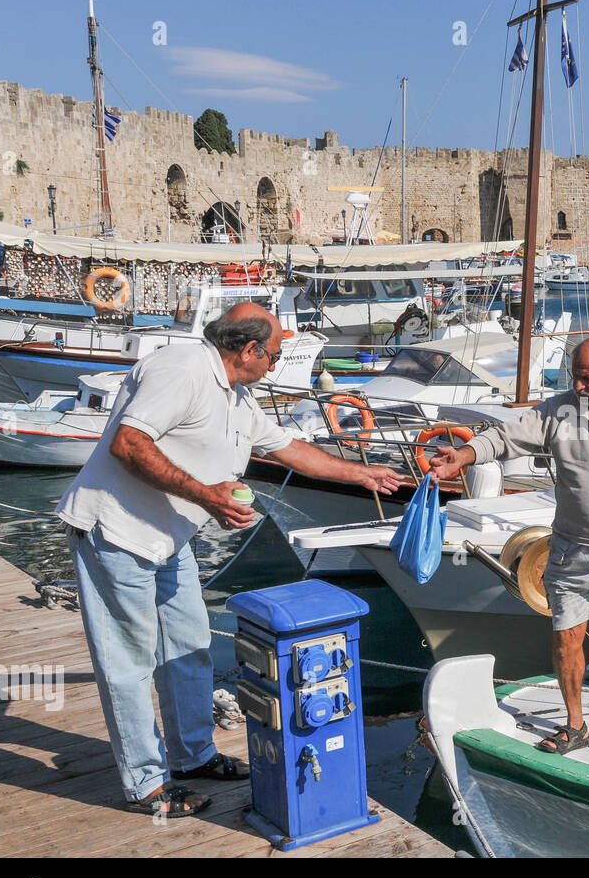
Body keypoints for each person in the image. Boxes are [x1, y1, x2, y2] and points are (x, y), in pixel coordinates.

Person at [57, 303, 402, 817]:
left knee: (189, 646)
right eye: (276, 355)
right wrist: (206, 496)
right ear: (249, 349)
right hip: (117, 532)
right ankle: (146, 784)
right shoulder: (183, 369)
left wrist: (364, 476)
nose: (277, 364)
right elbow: (129, 444)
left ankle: (192, 756)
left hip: (167, 539)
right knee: (128, 663)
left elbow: (288, 449)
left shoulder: (238, 398)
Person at [429, 336, 589, 763]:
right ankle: (575, 723)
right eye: (575, 377)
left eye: (588, 379)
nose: (579, 387)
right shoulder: (559, 411)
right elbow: (504, 438)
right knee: (567, 642)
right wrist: (464, 456)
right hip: (571, 552)